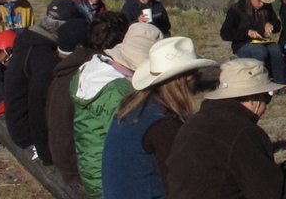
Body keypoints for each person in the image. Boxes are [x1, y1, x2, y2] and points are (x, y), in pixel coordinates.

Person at [166, 58, 286, 199]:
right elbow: (274, 195)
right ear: (253, 98)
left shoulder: (195, 122)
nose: (266, 106)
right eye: (266, 97)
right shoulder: (244, 132)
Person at [102, 36, 217, 199]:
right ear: (180, 81)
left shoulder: (135, 108)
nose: (197, 83)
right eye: (195, 77)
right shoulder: (163, 124)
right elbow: (179, 187)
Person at [72, 22, 163, 197]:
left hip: (92, 170)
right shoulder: (119, 92)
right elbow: (129, 141)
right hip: (108, 181)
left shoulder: (92, 70)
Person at [46, 12, 129, 186]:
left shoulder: (69, 71)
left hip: (65, 161)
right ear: (120, 44)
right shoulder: (98, 78)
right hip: (80, 171)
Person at [5, 0, 82, 165]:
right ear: (64, 27)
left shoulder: (30, 41)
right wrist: (46, 153)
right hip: (28, 132)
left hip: (17, 121)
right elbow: (38, 105)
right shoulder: (43, 56)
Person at [220, 0, 286, 85]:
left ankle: (280, 83)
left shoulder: (266, 8)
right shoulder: (236, 10)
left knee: (276, 49)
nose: (261, 3)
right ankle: (258, 82)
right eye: (259, 0)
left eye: (263, 0)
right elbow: (225, 33)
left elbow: (278, 26)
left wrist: (270, 24)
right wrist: (246, 32)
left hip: (263, 41)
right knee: (259, 52)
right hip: (243, 43)